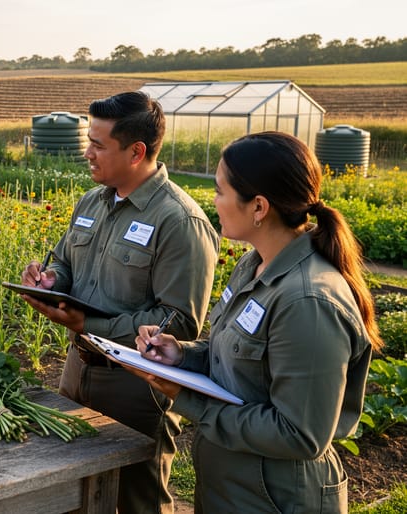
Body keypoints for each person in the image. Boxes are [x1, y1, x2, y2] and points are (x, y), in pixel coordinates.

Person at [131, 131, 382, 513]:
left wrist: (190, 402)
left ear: (259, 207)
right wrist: (181, 356)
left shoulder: (307, 301)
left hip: (276, 498)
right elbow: (241, 358)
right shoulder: (255, 264)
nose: (213, 202)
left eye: (220, 191)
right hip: (235, 485)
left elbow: (300, 434)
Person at [20, 91, 219, 513]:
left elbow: (179, 323)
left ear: (136, 152)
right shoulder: (93, 200)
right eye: (87, 140)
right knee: (74, 491)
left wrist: (87, 325)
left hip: (137, 387)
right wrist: (51, 279)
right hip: (77, 373)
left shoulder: (179, 221)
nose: (86, 153)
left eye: (98, 144)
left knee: (137, 501)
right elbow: (66, 262)